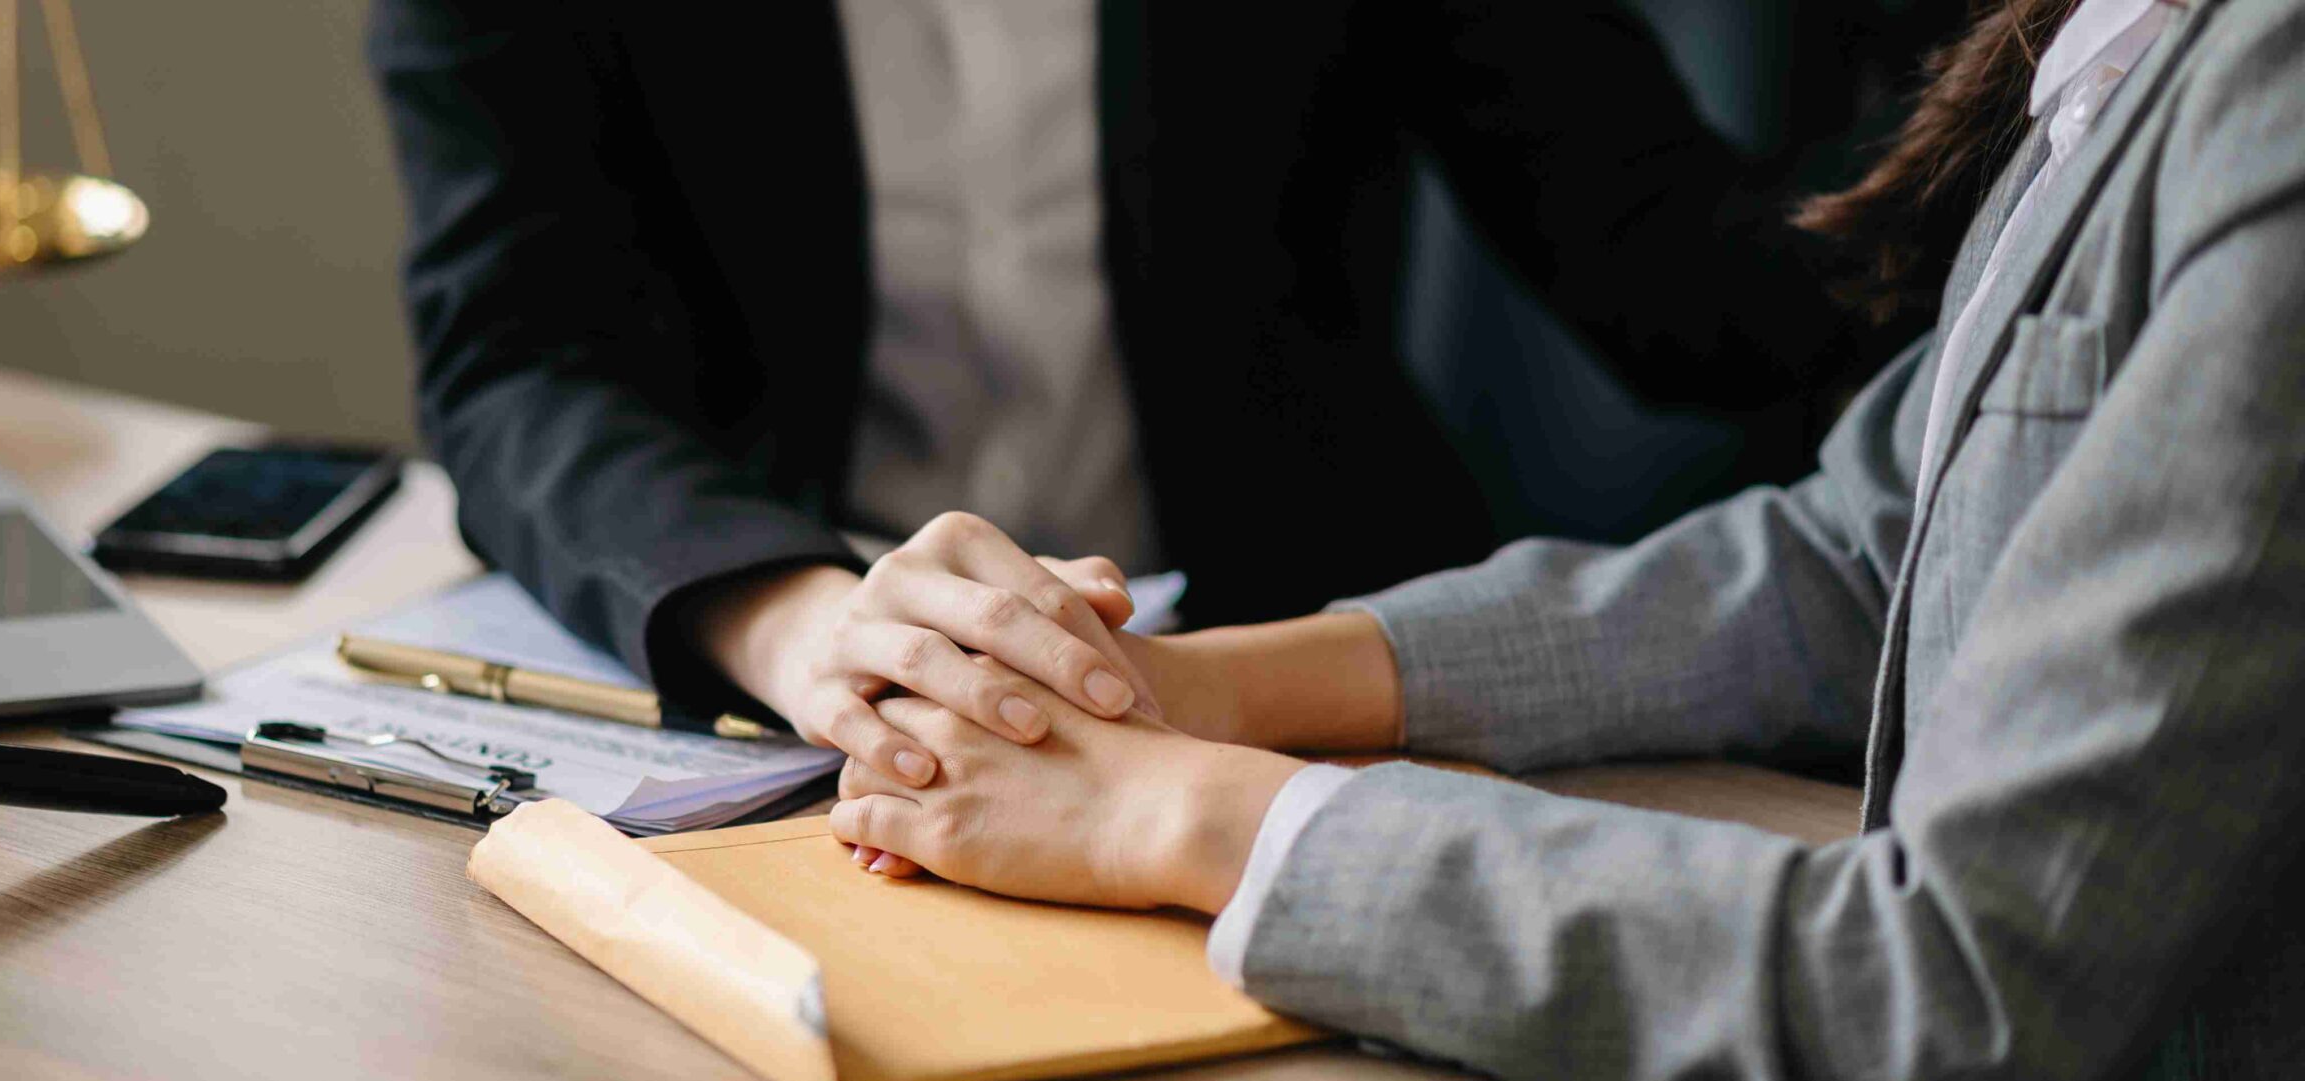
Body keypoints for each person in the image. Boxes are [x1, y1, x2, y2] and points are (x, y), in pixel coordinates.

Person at [825, 0, 2305, 1081]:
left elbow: (1945, 1007)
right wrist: (1199, 686)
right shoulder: (2134, 48)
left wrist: (1178, 812)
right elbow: (1857, 553)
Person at [368, 1, 1944, 793]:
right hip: (794, 713)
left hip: (1285, 684)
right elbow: (518, 354)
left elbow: (1693, 282)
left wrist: (2056, 79)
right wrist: (807, 628)